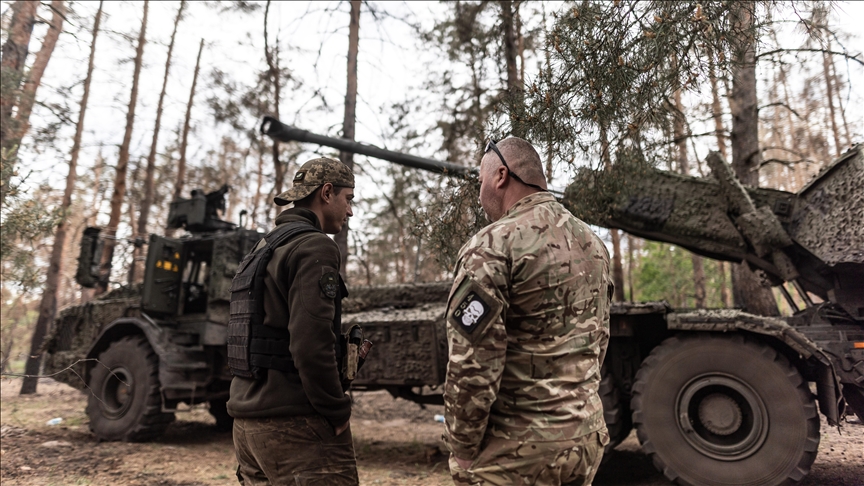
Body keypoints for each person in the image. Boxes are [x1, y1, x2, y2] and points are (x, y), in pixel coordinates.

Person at [443, 138, 613, 486]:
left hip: (515, 452)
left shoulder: (493, 245)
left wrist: (462, 446)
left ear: (501, 176)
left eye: (480, 182)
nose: (479, 195)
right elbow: (599, 338)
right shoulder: (592, 242)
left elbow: (473, 361)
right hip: (584, 439)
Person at [228, 157, 358, 485]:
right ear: (326, 193)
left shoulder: (262, 249)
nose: (350, 211)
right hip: (295, 426)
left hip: (246, 426)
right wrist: (336, 410)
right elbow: (310, 343)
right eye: (348, 199)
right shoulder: (313, 247)